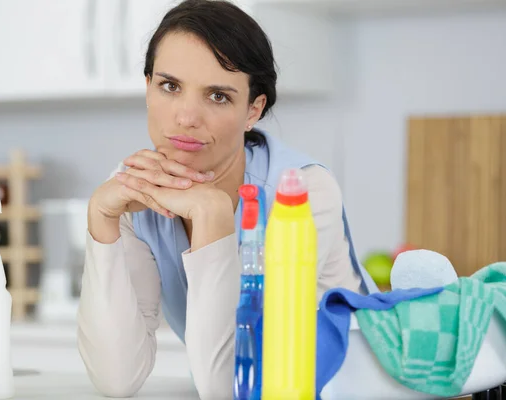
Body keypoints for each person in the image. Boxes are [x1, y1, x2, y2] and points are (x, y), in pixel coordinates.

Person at [77, 0, 377, 398]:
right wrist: (101, 219)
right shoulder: (137, 194)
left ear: (253, 110)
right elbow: (116, 380)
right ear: (147, 87)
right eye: (170, 86)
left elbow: (236, 387)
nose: (186, 117)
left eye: (218, 96)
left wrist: (213, 216)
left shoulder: (301, 195)